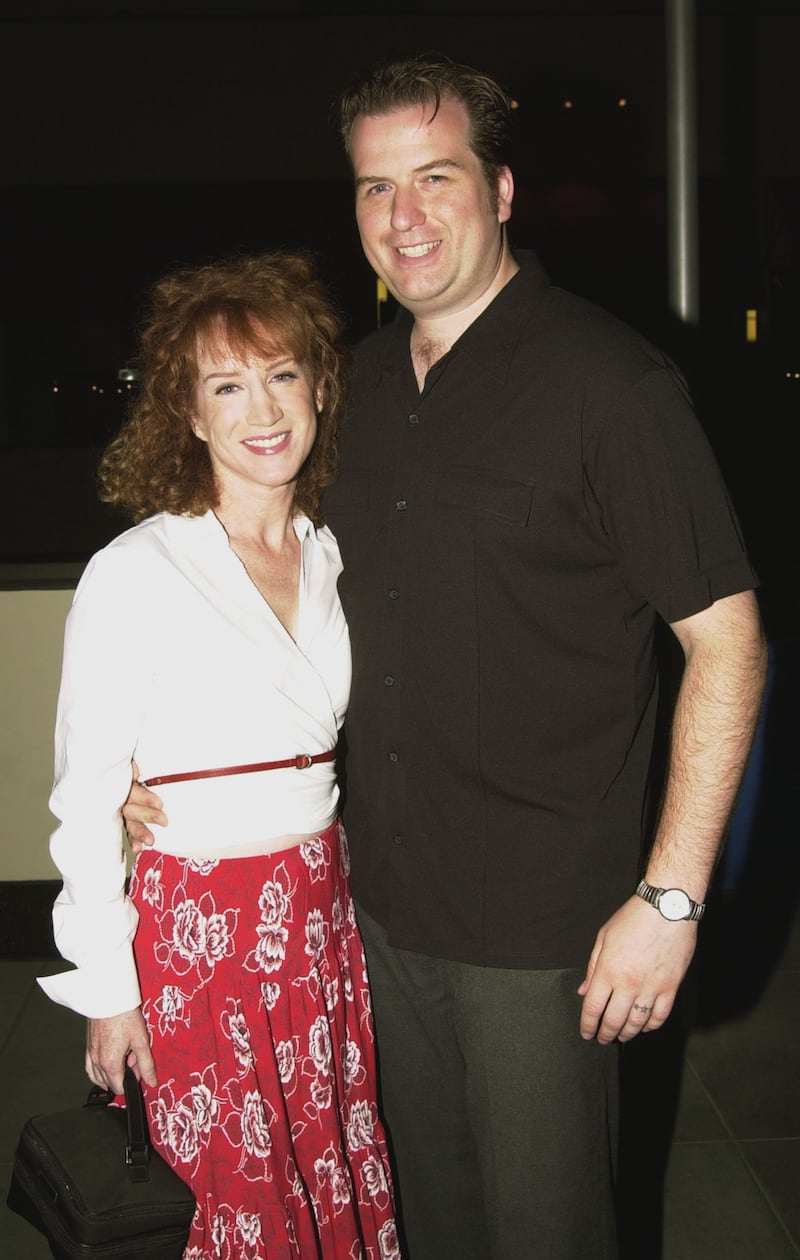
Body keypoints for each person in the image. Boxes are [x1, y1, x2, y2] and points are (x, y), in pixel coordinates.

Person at [124, 53, 768, 1260]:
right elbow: (260, 596)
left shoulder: (612, 387)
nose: (402, 217)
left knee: (545, 1229)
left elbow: (725, 646)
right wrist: (156, 761)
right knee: (428, 1221)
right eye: (374, 188)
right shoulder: (347, 394)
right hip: (371, 909)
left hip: (543, 927)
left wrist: (668, 899)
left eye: (434, 177)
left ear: (503, 189)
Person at [38, 250, 401, 1260]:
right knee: (228, 1199)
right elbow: (81, 801)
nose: (262, 408)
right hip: (198, 934)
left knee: (321, 1163)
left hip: (319, 915)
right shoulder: (137, 569)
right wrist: (108, 993)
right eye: (227, 386)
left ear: (320, 388)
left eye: (282, 375)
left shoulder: (330, 551)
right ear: (188, 415)